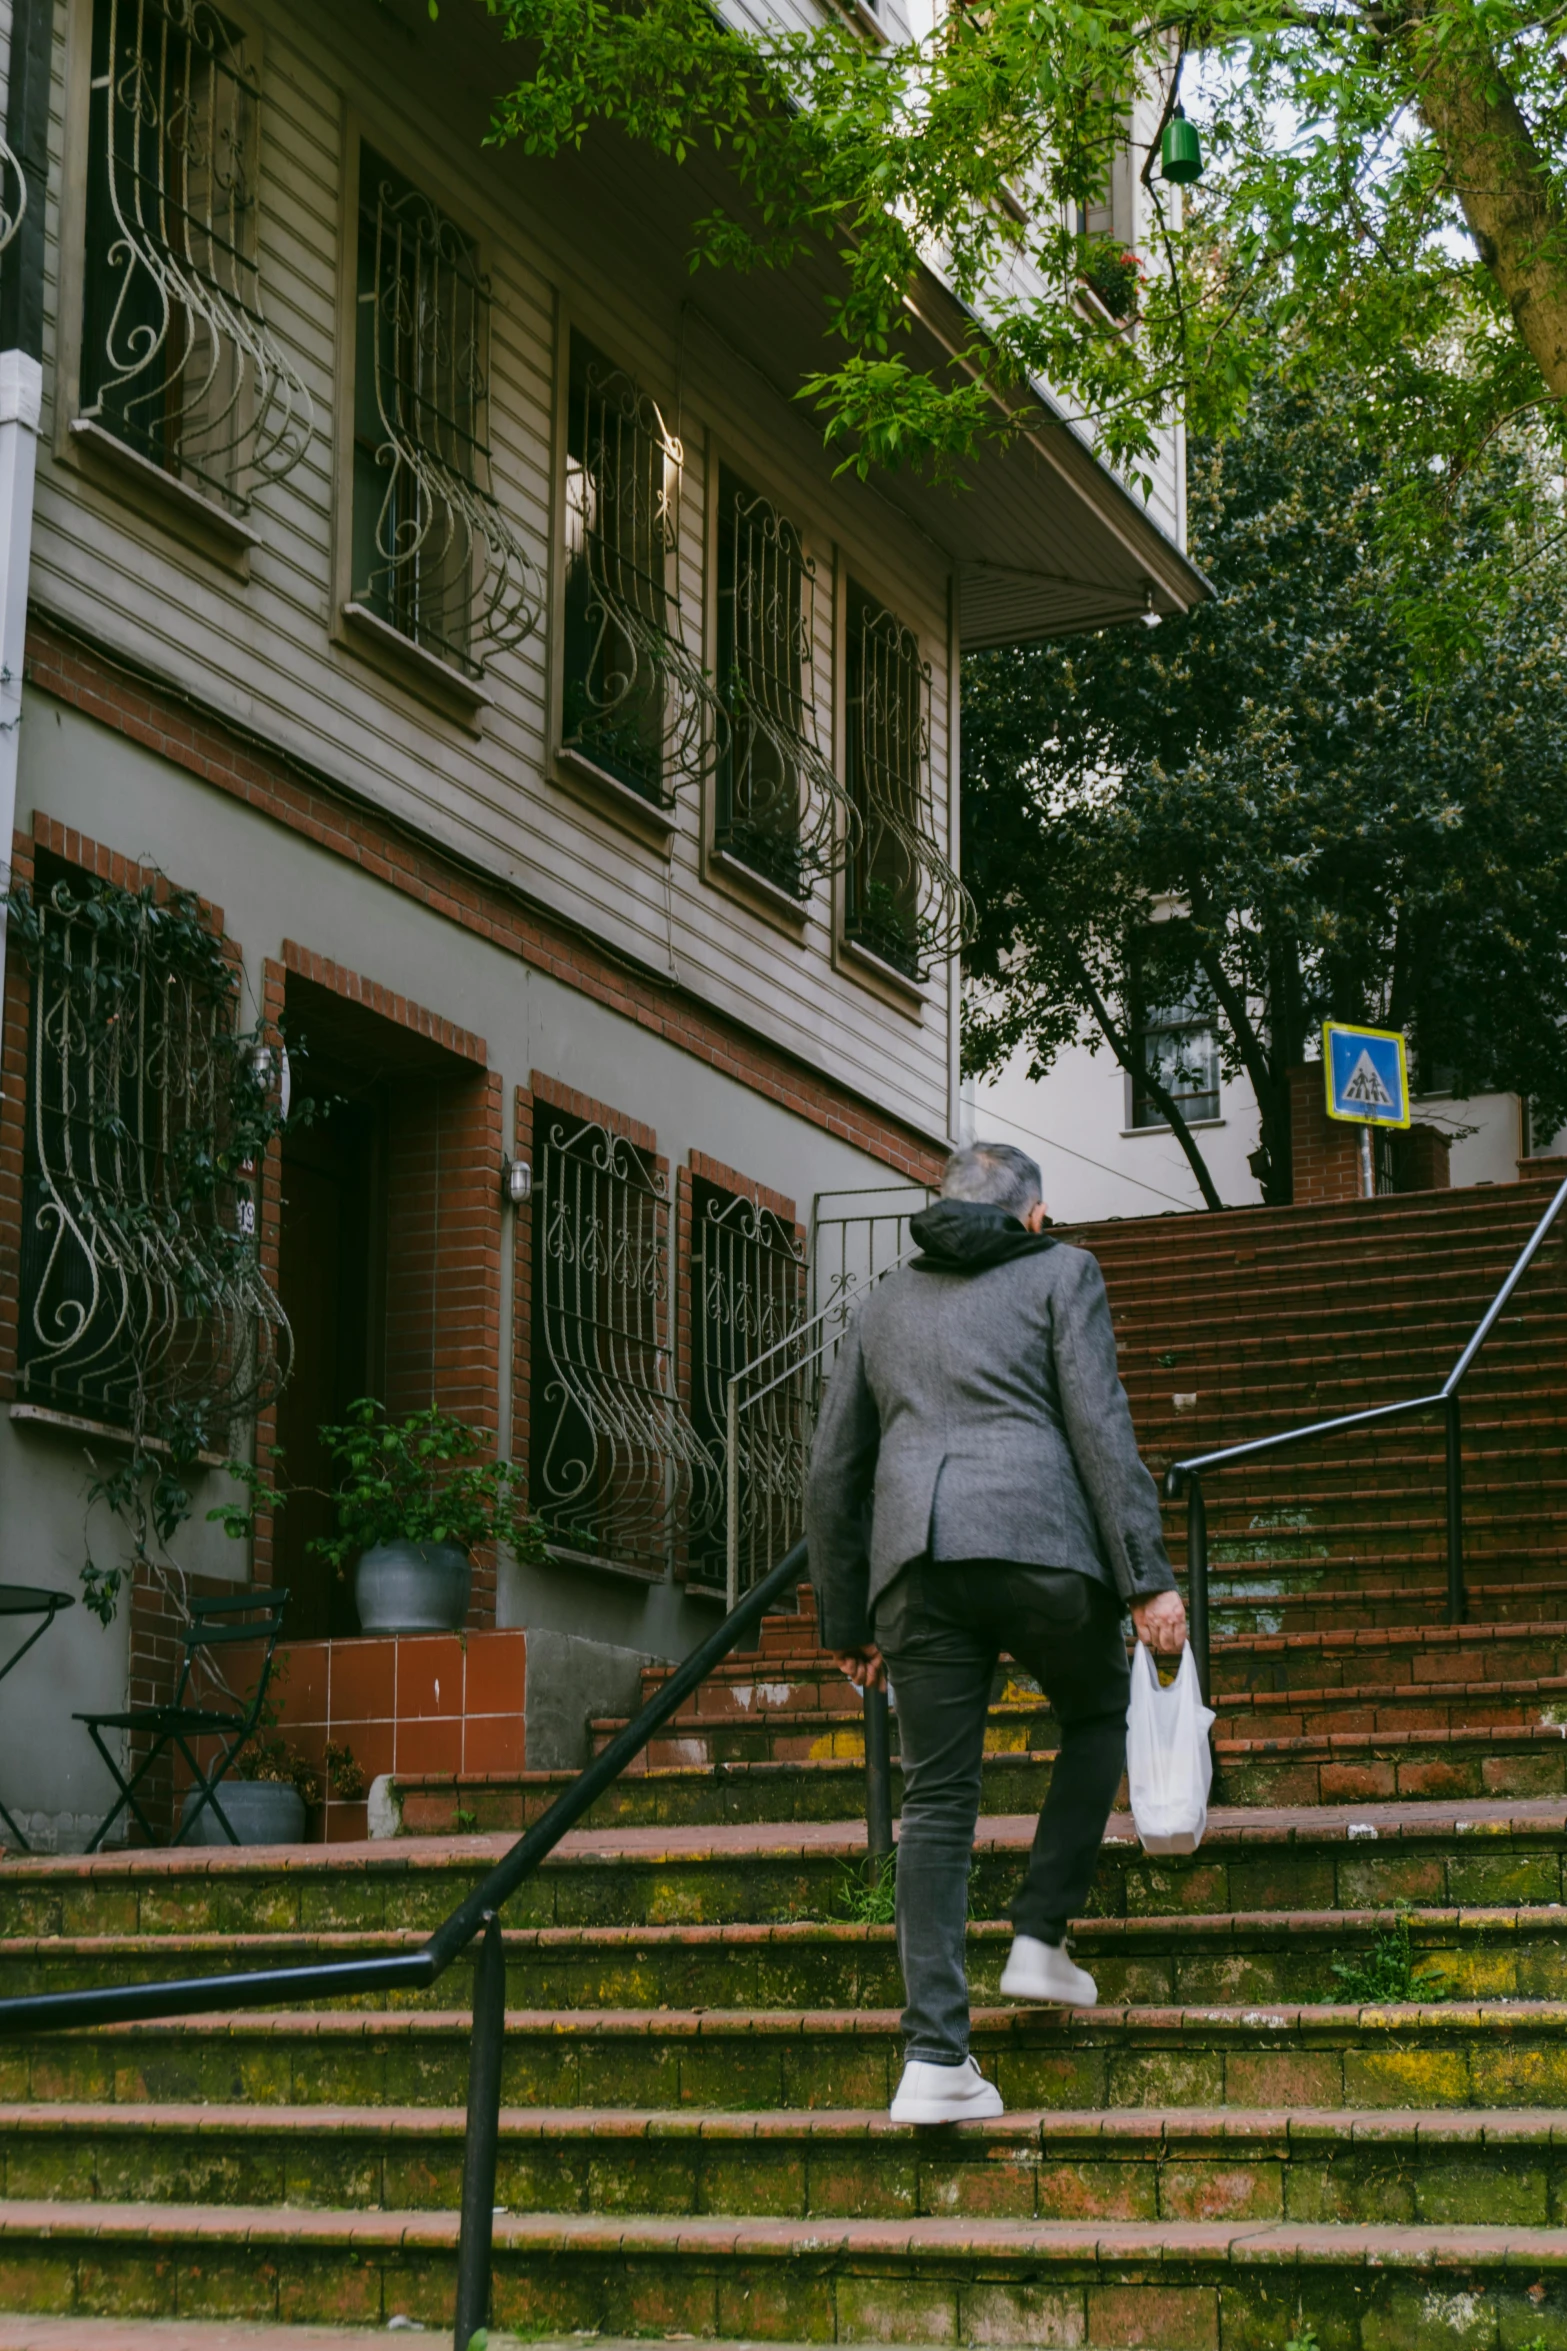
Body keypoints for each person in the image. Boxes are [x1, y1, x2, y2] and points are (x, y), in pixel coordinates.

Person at [804, 1141, 1187, 2125]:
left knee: (935, 1798)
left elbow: (828, 1470)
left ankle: (935, 2058)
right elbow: (1098, 1423)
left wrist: (845, 1617)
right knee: (1100, 1708)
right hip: (1038, 1545)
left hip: (914, 1565)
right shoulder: (1063, 1269)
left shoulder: (887, 1299)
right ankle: (1037, 1938)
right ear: (1033, 1214)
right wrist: (1145, 1578)